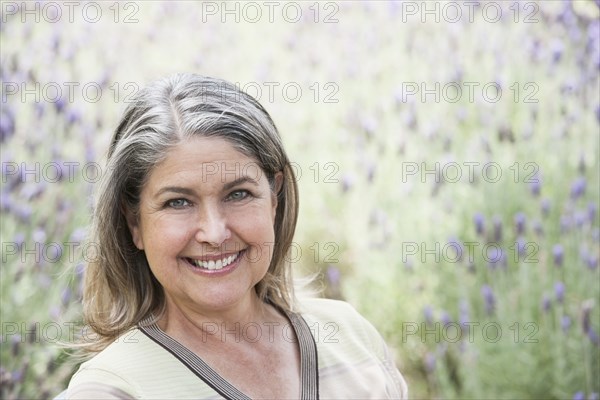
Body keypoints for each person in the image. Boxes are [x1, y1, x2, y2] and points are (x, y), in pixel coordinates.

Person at [65, 73, 408, 399]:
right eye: (178, 202)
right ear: (134, 223)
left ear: (274, 198)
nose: (214, 233)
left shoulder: (350, 336)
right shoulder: (114, 388)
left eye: (238, 194)